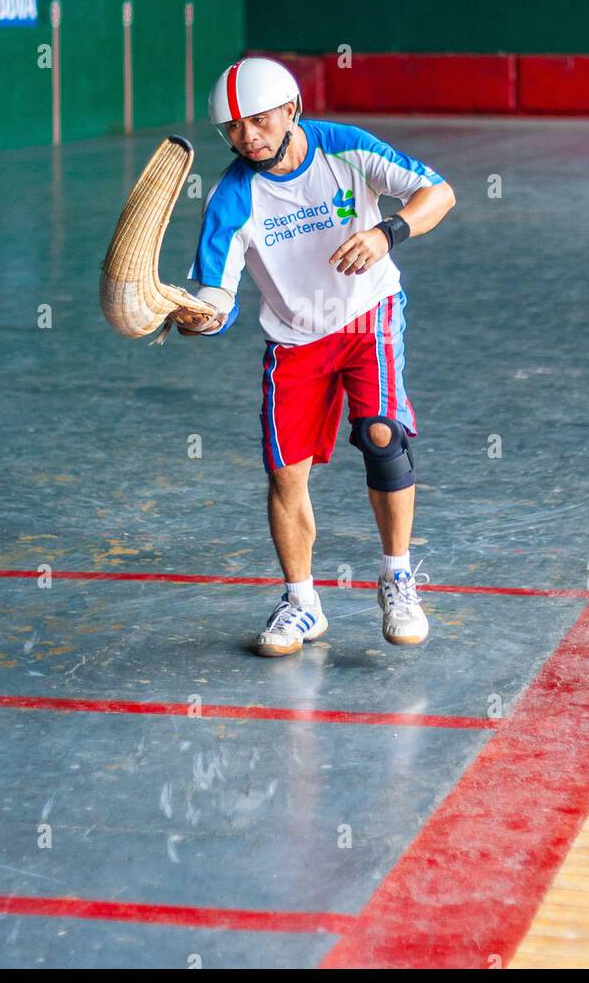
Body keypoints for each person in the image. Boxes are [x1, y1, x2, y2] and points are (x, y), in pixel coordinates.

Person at [182, 57, 456, 656]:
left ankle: (398, 577)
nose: (247, 137)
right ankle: (303, 603)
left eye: (257, 120)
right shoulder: (233, 196)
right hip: (294, 338)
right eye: (232, 128)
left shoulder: (345, 149)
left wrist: (387, 233)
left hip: (369, 315)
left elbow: (439, 192)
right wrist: (199, 319)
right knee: (285, 474)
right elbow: (216, 295)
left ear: (290, 110)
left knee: (382, 434)